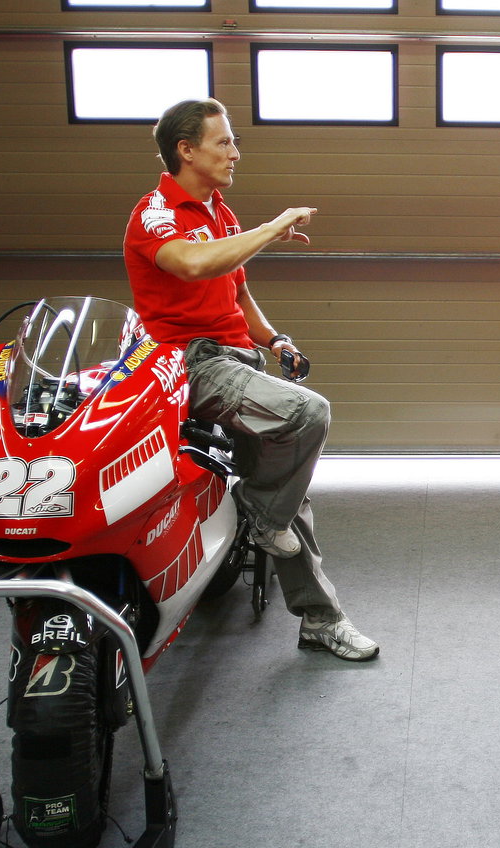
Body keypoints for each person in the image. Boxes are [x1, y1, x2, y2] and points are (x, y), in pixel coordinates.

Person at [123, 98, 378, 661]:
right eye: (225, 142)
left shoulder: (221, 212)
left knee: (285, 487)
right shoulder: (156, 213)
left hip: (238, 357)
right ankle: (264, 516)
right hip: (189, 362)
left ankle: (319, 620)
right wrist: (274, 226)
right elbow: (194, 265)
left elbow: (234, 289)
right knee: (306, 418)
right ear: (185, 151)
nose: (235, 152)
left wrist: (274, 340)